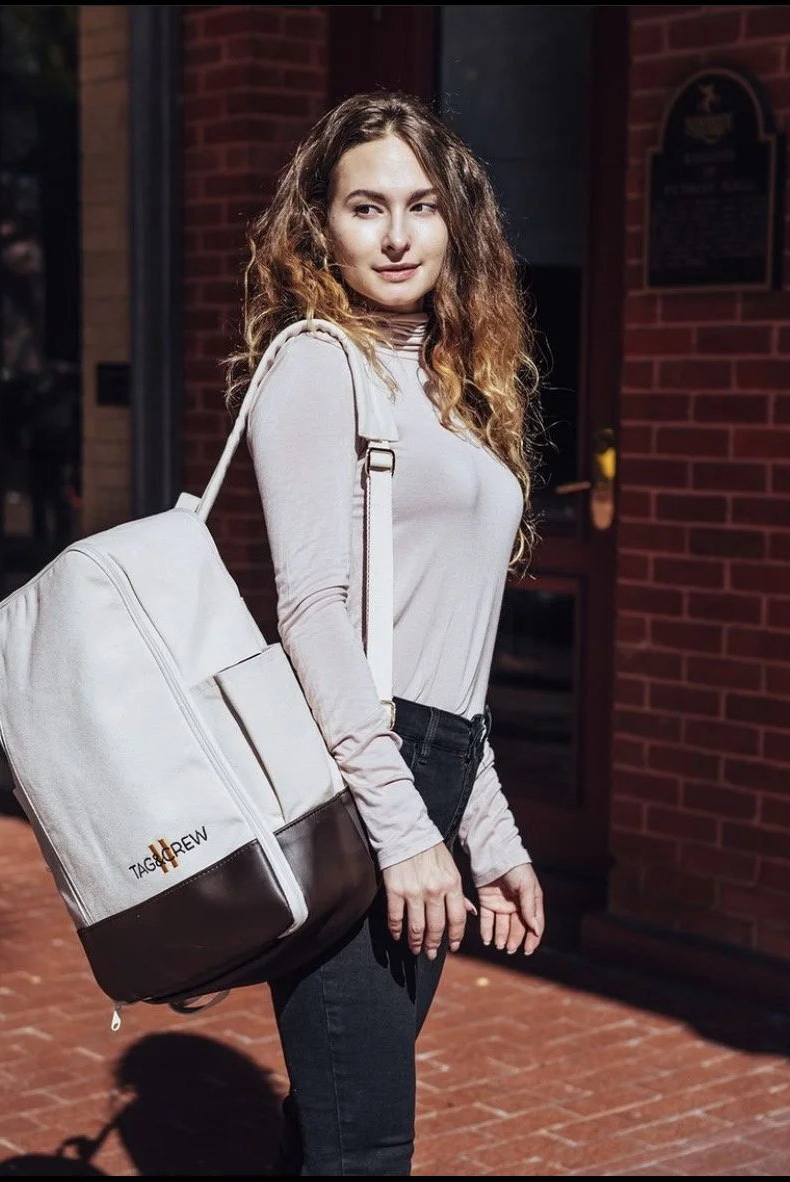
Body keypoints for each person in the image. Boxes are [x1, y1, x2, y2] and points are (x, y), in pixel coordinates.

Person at [228, 90, 546, 1177]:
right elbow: (316, 611)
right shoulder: (318, 365)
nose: (398, 233)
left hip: (430, 766)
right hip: (364, 773)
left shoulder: (453, 387)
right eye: (367, 206)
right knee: (364, 1146)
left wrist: (485, 834)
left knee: (331, 1132)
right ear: (319, 223)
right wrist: (408, 832)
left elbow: (442, 646)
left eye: (420, 206)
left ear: (458, 223)